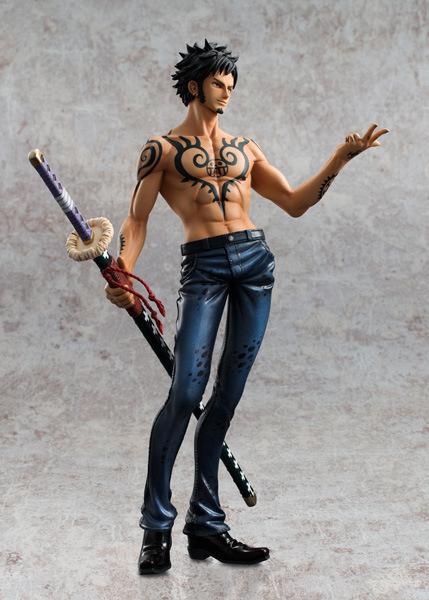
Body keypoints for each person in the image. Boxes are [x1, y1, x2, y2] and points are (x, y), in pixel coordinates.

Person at [105, 40, 388, 574]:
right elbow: (137, 220)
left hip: (255, 265)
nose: (226, 93)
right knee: (185, 393)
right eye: (218, 83)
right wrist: (123, 269)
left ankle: (206, 525)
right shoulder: (161, 150)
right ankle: (155, 528)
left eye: (231, 86)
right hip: (205, 267)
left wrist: (340, 159)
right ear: (195, 85)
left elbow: (295, 203)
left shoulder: (245, 148)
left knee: (225, 400)